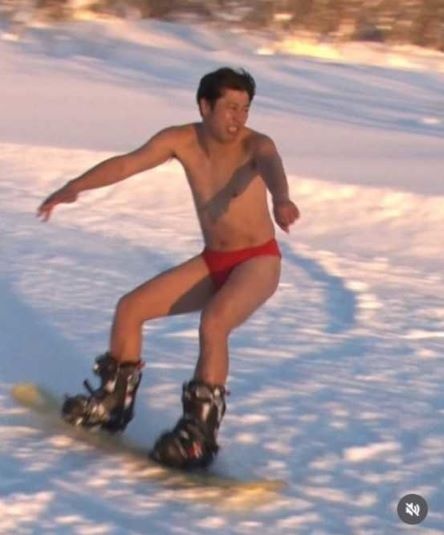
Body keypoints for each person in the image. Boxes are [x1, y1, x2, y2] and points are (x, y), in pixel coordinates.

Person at [37, 67, 300, 469]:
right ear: (205, 106)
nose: (238, 118)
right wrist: (75, 186)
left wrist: (281, 199)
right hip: (214, 259)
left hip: (257, 261)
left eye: (245, 108)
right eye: (230, 107)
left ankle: (198, 435)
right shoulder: (180, 140)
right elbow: (126, 164)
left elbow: (271, 164)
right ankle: (112, 405)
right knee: (130, 309)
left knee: (215, 322)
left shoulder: (256, 144)